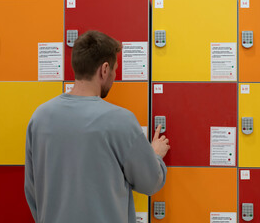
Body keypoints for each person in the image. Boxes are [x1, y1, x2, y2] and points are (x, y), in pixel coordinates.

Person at [24, 30, 170, 223]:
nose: (115, 76)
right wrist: (156, 155)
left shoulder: (39, 117)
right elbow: (151, 182)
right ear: (104, 69)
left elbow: (32, 191)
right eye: (115, 70)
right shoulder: (121, 120)